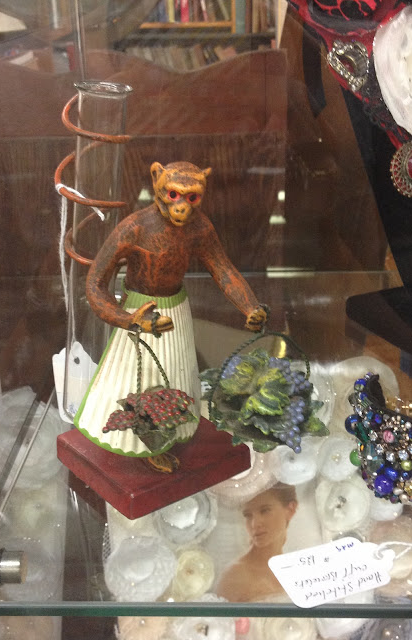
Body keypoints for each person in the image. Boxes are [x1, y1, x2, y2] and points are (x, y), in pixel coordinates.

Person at [74, 161, 267, 460]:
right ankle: (143, 446)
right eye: (173, 194)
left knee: (176, 374)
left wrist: (250, 306)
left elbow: (223, 269)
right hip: (140, 312)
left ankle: (168, 438)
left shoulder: (200, 229)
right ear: (156, 179)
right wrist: (129, 319)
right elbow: (94, 285)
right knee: (136, 382)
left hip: (176, 310)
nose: (182, 207)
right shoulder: (135, 227)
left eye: (192, 197)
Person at [216, 483, 297, 602]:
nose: (254, 524)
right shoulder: (234, 576)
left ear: (290, 509)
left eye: (265, 511)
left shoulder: (298, 569)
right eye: (248, 515)